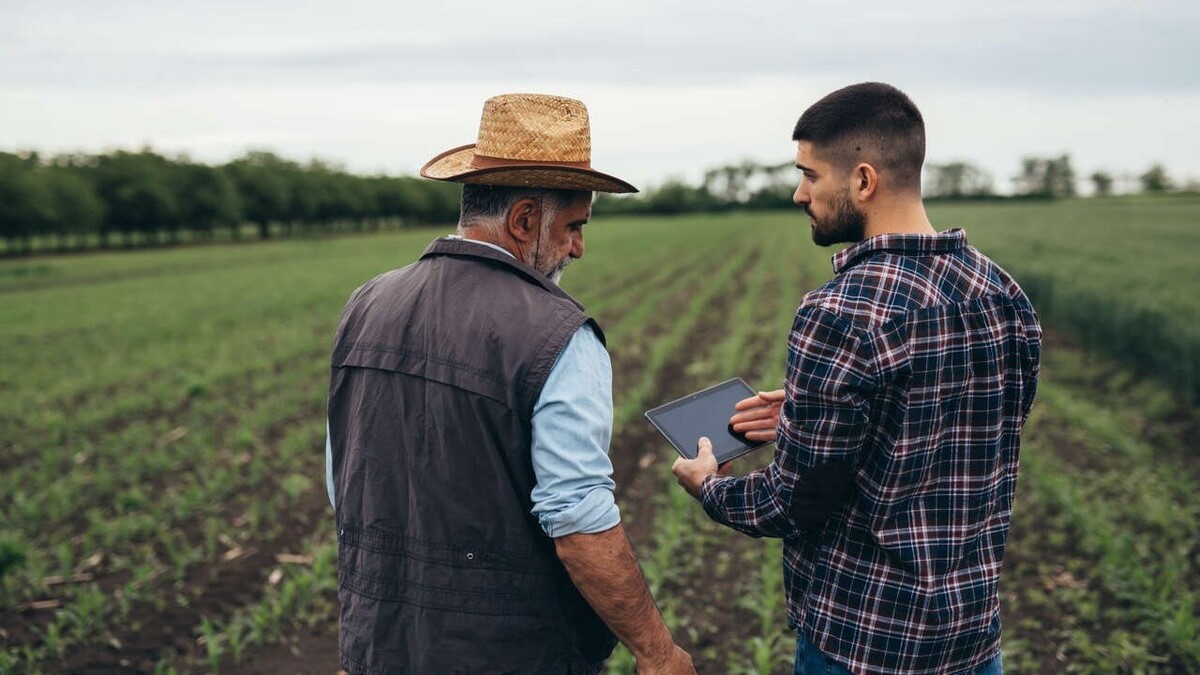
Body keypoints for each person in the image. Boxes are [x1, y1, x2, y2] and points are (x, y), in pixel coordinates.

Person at [672, 82, 1041, 674]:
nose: (799, 194)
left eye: (809, 175)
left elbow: (790, 503)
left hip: (863, 646)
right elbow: (967, 427)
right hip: (974, 642)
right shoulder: (1003, 295)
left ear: (863, 181)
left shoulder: (840, 313)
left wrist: (708, 485)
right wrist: (812, 407)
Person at [325, 93, 694, 675]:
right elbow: (578, 519)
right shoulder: (559, 333)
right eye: (574, 226)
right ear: (524, 218)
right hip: (510, 652)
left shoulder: (365, 304)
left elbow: (344, 479)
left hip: (378, 642)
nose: (579, 246)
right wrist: (657, 651)